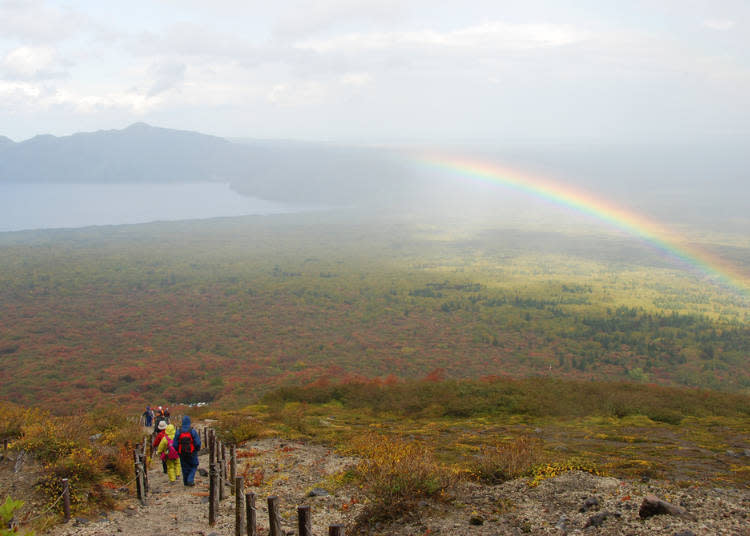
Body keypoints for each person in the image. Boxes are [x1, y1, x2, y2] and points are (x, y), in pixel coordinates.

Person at [175, 415, 201, 486]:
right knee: (194, 465)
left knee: (184, 467)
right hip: (192, 452)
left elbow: (175, 444)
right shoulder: (192, 431)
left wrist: (178, 451)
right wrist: (197, 449)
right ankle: (190, 480)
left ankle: (186, 482)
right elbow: (197, 443)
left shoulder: (178, 431)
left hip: (182, 453)